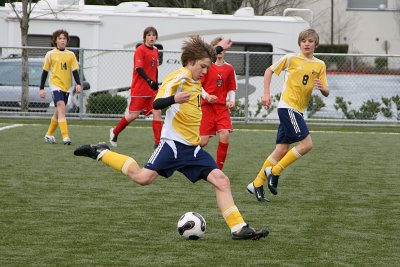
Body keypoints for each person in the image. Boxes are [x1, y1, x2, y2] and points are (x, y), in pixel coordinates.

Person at [74, 35, 269, 240]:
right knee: (143, 178)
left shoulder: (195, 79)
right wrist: (175, 98)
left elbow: (201, 66)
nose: (205, 71)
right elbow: (157, 104)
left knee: (221, 180)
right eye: (203, 67)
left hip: (192, 149)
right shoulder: (179, 77)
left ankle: (238, 228)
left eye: (207, 67)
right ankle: (102, 152)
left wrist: (217, 52)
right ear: (191, 62)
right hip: (173, 146)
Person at [247, 28, 329, 202]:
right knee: (307, 144)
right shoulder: (290, 58)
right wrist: (267, 93)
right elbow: (268, 71)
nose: (306, 44)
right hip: (287, 107)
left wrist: (323, 89)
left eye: (310, 41)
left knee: (282, 149)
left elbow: (327, 90)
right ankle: (274, 171)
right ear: (300, 43)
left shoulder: (320, 65)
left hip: (298, 110)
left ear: (316, 44)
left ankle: (256, 183)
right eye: (303, 41)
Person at [109, 26, 162, 149]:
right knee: (133, 115)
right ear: (144, 38)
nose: (151, 37)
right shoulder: (140, 50)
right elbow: (139, 68)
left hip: (152, 91)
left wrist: (156, 84)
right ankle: (115, 132)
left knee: (157, 112)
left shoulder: (155, 50)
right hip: (139, 89)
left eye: (153, 35)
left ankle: (158, 143)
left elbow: (155, 69)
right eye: (149, 35)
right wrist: (149, 81)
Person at [200, 37, 237, 170]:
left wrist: (231, 100)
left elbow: (231, 87)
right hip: (207, 108)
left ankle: (218, 168)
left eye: (221, 47)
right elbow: (198, 86)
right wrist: (207, 96)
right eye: (217, 47)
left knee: (225, 134)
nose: (219, 50)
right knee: (202, 142)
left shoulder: (229, 69)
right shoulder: (207, 67)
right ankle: (185, 156)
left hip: (221, 108)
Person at [39, 29, 82, 145]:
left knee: (58, 111)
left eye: (64, 38)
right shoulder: (50, 54)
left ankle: (48, 135)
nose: (62, 40)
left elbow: (75, 71)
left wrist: (78, 84)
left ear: (67, 41)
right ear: (55, 41)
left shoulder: (71, 55)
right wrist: (41, 88)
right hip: (55, 85)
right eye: (60, 38)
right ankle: (66, 137)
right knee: (62, 107)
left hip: (67, 86)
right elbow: (45, 72)